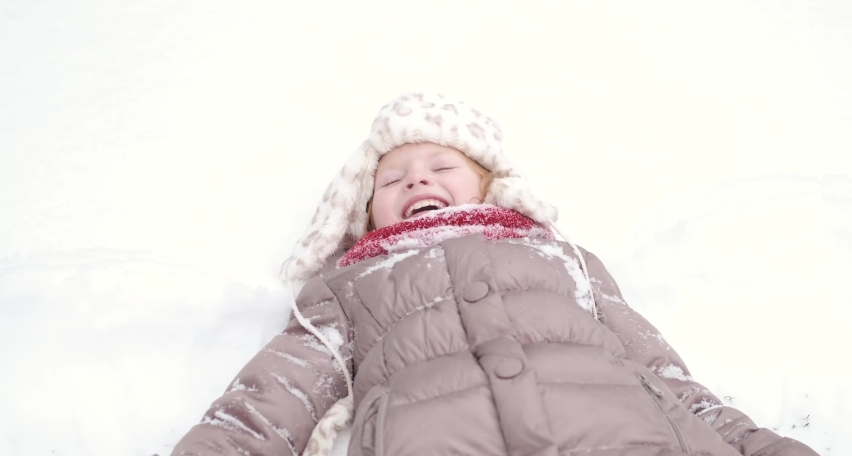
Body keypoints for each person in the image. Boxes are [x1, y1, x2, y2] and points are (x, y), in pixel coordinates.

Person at [171, 92, 817, 456]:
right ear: (364, 216)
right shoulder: (351, 285)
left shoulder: (563, 258)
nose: (416, 180)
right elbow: (274, 394)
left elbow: (666, 375)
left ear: (487, 185)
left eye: (441, 167)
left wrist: (753, 447)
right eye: (392, 180)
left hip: (622, 434)